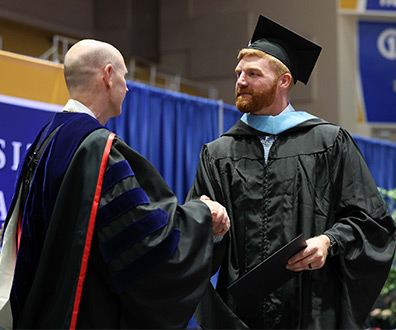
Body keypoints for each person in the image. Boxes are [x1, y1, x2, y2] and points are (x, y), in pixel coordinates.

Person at [0, 39, 230, 329]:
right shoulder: (97, 149)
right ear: (108, 75)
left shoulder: (46, 138)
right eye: (125, 76)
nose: (128, 87)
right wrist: (201, 215)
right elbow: (145, 244)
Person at [186, 15, 396, 329]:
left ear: (283, 81)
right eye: (239, 73)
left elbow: (371, 221)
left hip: (312, 310)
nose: (240, 81)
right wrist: (208, 226)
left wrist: (328, 241)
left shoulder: (328, 142)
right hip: (241, 317)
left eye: (253, 73)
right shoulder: (219, 154)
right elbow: (197, 239)